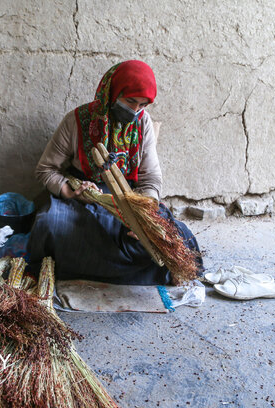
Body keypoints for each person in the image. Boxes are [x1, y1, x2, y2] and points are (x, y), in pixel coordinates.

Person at [27, 60, 202, 285]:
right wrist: (69, 192)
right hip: (83, 197)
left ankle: (97, 269)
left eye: (142, 104)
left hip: (127, 199)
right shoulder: (77, 121)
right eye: (130, 101)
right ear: (111, 92)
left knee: (171, 237)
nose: (135, 111)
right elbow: (46, 169)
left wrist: (143, 216)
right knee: (50, 225)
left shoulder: (143, 124)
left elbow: (150, 178)